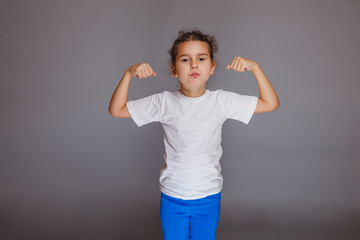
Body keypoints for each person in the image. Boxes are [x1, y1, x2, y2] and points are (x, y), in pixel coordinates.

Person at [108, 29, 280, 240]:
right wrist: (128, 74)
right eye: (185, 59)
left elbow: (271, 103)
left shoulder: (221, 101)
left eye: (201, 58)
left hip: (208, 196)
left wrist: (256, 68)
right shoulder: (164, 102)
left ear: (212, 67)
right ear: (174, 69)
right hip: (172, 196)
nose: (194, 65)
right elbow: (117, 110)